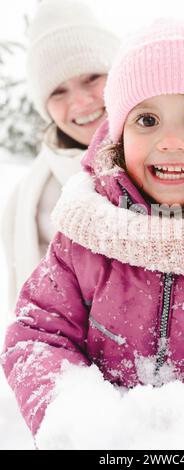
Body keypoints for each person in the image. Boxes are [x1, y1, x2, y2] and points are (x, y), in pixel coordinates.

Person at [1, 18, 184, 450]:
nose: (172, 141)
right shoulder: (88, 229)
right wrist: (74, 417)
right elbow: (37, 334)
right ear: (120, 136)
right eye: (147, 120)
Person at [2, 0, 119, 310]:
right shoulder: (29, 202)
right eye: (58, 91)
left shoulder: (177, 165)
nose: (80, 102)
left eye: (92, 77)